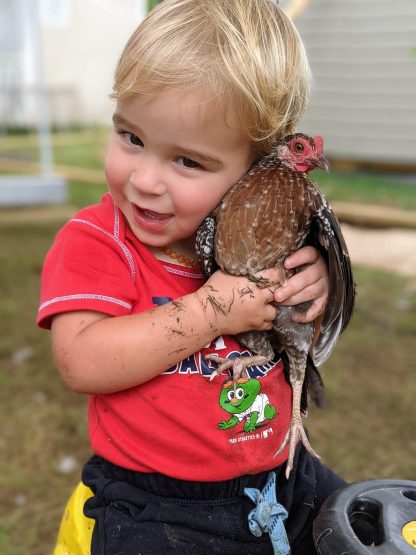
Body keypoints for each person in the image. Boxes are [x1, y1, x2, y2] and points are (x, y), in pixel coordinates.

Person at [37, 1, 345, 553]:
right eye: (131, 137)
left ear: (257, 166)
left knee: (371, 524)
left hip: (282, 477)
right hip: (155, 500)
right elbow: (79, 360)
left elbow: (306, 333)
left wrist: (314, 283)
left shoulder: (265, 234)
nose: (145, 179)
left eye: (188, 162)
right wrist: (209, 311)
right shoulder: (97, 240)